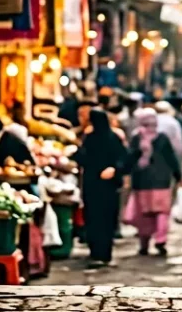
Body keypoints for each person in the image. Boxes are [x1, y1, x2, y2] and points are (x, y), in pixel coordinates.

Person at [123, 108, 182, 256]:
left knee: (144, 214)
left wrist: (124, 173)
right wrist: (178, 176)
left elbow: (130, 158)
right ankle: (161, 239)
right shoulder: (162, 137)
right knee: (162, 212)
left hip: (142, 182)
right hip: (162, 182)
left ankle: (144, 244)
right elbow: (172, 159)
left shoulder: (137, 137)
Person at [73, 109, 126, 269]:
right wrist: (115, 170)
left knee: (93, 218)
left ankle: (96, 252)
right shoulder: (114, 138)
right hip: (108, 187)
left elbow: (81, 158)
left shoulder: (90, 138)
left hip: (92, 185)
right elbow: (124, 158)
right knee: (108, 219)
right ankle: (105, 253)